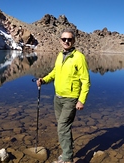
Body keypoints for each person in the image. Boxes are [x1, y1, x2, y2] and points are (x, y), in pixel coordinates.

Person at [36, 29, 90, 163]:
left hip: (70, 99)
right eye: (64, 39)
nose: (67, 41)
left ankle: (67, 159)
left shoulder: (79, 57)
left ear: (74, 41)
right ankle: (68, 151)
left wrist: (81, 100)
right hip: (58, 98)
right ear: (60, 40)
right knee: (64, 128)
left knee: (62, 128)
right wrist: (44, 80)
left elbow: (86, 81)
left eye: (69, 39)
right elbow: (55, 72)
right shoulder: (60, 55)